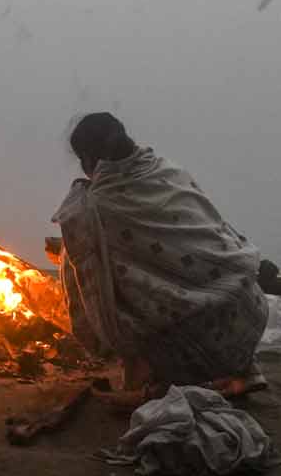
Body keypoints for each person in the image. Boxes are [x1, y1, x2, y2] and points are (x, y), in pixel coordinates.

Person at [53, 112, 268, 397]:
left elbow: (92, 279)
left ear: (88, 160)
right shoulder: (167, 171)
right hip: (246, 316)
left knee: (81, 258)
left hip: (199, 347)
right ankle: (243, 370)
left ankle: (152, 375)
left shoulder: (93, 208)